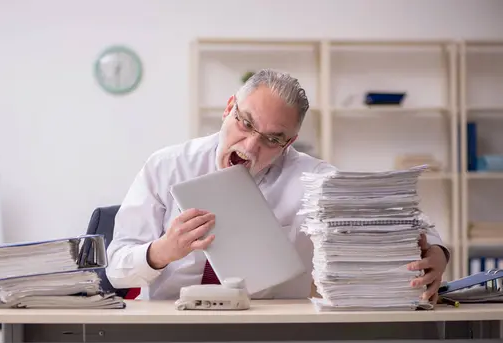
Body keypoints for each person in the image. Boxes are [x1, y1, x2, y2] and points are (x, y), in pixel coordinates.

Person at [105, 69, 449, 301]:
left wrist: (437, 251)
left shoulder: (316, 181)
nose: (251, 147)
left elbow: (405, 220)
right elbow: (117, 270)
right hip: (170, 334)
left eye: (272, 139)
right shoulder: (167, 165)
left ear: (290, 141)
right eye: (245, 124)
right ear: (229, 108)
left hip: (273, 339)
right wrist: (163, 251)